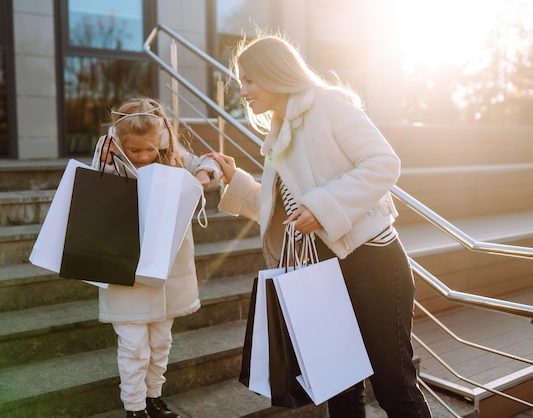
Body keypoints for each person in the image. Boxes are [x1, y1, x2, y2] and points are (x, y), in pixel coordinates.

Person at [208, 34, 433, 417]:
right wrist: (239, 183)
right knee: (341, 386)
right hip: (323, 270)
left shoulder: (328, 105)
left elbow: (383, 163)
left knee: (392, 383)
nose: (242, 91)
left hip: (372, 263)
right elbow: (291, 210)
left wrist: (322, 207)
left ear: (273, 73)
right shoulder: (278, 130)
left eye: (248, 80)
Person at [91, 97, 222, 418]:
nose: (143, 156)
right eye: (134, 150)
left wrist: (205, 173)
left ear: (161, 139)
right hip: (126, 270)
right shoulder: (108, 160)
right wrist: (106, 164)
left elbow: (212, 161)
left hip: (167, 273)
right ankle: (134, 407)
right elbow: (91, 191)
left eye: (150, 148)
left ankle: (154, 397)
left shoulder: (174, 156)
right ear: (119, 141)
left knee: (161, 342)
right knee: (134, 346)